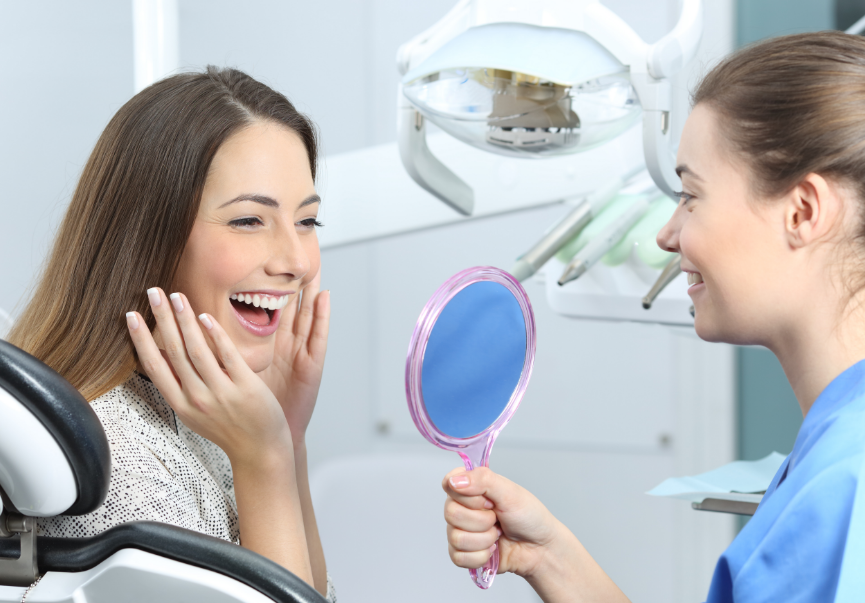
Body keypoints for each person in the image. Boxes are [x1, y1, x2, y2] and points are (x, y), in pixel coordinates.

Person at [440, 31, 865, 602]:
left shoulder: (845, 484)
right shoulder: (835, 453)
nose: (667, 234)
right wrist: (551, 557)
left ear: (803, 211)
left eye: (691, 196)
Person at [6, 66, 335, 601]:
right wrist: (266, 457)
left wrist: (288, 437)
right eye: (249, 221)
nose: (297, 260)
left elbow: (314, 593)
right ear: (147, 240)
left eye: (307, 221)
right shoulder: (123, 465)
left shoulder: (209, 415)